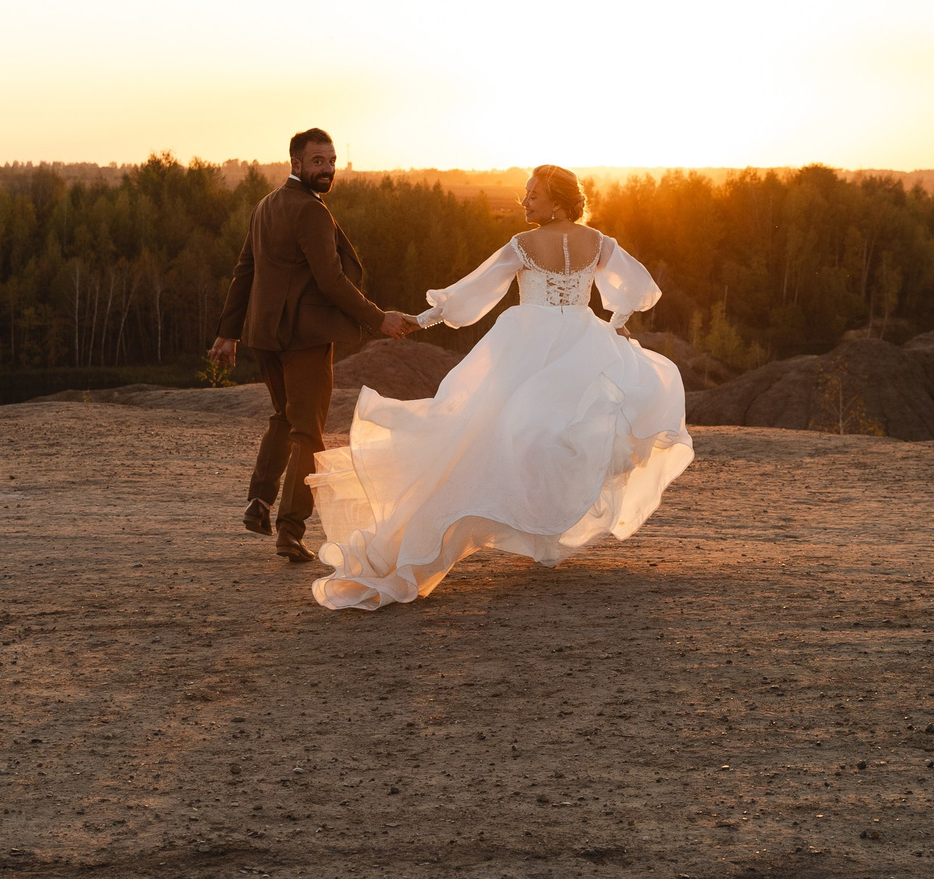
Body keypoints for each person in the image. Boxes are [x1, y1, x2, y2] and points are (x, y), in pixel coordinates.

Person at [305, 164, 693, 610]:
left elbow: (475, 290)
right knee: (556, 431)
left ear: (559, 201)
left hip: (528, 344)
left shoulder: (522, 245)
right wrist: (617, 325)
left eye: (532, 194)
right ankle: (544, 526)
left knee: (488, 432)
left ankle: (524, 524)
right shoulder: (599, 242)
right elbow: (638, 286)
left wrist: (425, 319)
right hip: (584, 341)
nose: (523, 201)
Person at [209, 129, 420, 564]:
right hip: (301, 339)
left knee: (284, 418)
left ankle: (260, 502)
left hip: (265, 335)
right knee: (308, 431)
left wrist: (228, 333)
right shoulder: (310, 211)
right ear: (296, 163)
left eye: (331, 160)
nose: (327, 169)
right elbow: (330, 279)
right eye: (317, 161)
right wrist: (378, 318)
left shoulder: (266, 205)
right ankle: (290, 530)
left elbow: (243, 272)